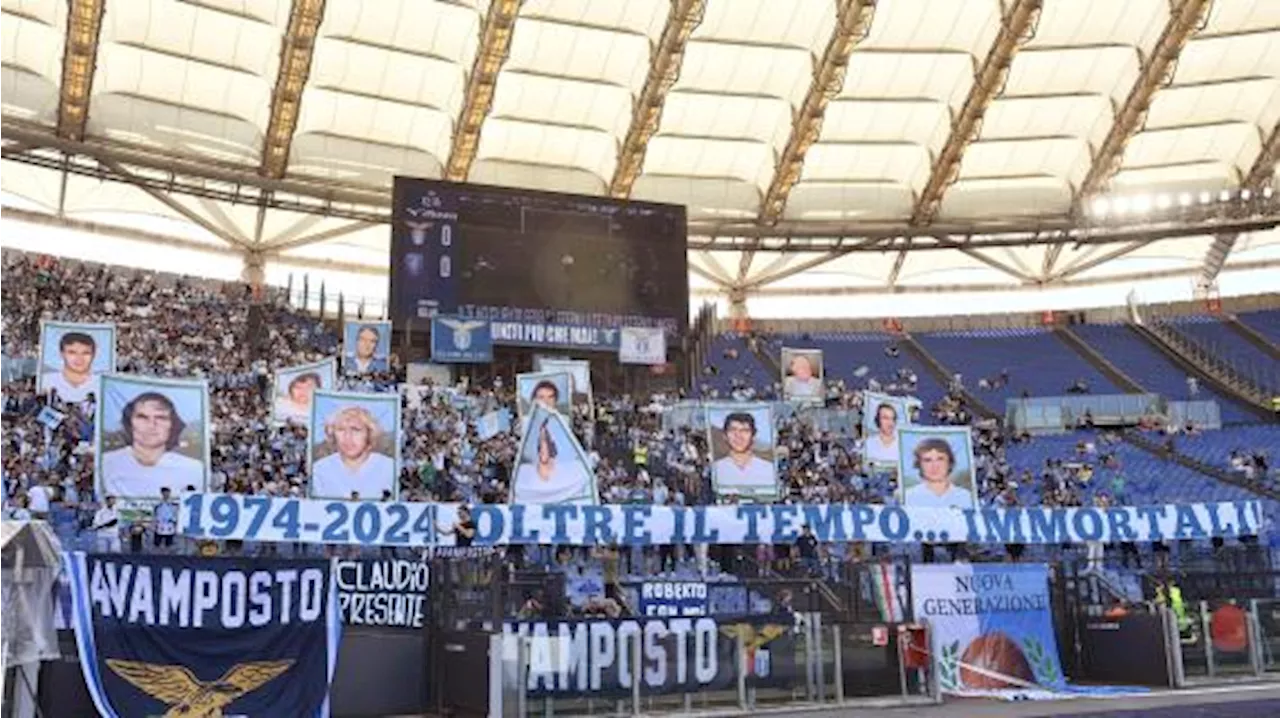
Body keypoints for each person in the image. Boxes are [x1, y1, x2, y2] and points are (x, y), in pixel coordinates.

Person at [101, 391, 204, 498]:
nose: (151, 425)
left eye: (161, 418)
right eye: (143, 417)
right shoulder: (107, 462)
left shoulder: (193, 468)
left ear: (172, 424)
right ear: (129, 423)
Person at [311, 404, 396, 499]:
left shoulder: (390, 468)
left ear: (369, 433)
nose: (348, 437)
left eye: (356, 430)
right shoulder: (319, 470)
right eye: (341, 430)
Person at [511, 420, 593, 504]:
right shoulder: (525, 472)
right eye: (540, 447)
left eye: (545, 445)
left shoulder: (568, 473)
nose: (542, 450)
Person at [711, 412, 776, 494]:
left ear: (753, 435)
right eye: (733, 430)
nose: (738, 436)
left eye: (745, 431)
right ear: (725, 435)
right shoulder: (716, 468)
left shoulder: (769, 469)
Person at [902, 437, 974, 509]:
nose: (934, 466)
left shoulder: (966, 497)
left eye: (940, 459)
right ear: (919, 464)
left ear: (949, 463)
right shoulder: (908, 497)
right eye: (928, 460)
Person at [42, 331, 100, 404]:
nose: (79, 358)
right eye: (72, 352)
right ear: (62, 354)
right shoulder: (46, 381)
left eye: (85, 353)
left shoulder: (103, 385)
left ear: (93, 355)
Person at [152, 486, 179, 552]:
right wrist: (155, 523)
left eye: (167, 493)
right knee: (157, 543)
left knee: (169, 543)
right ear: (162, 493)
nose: (166, 494)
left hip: (169, 525)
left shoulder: (173, 505)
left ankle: (167, 555)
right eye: (164, 493)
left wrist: (175, 522)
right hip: (160, 525)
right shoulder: (158, 505)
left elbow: (176, 515)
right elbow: (155, 514)